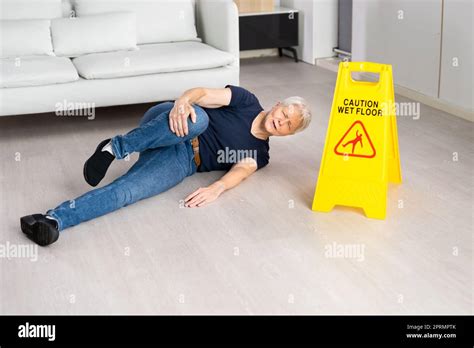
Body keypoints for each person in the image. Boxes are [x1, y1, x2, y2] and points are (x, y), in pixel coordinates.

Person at [20, 85, 312, 246]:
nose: (281, 122)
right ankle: (115, 148)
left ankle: (52, 220)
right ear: (276, 104)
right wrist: (183, 102)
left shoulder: (260, 153)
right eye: (284, 113)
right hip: (173, 121)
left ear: (289, 134)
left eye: (289, 126)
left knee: (128, 192)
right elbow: (203, 95)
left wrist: (216, 189)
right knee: (201, 119)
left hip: (183, 160)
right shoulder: (247, 101)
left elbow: (239, 172)